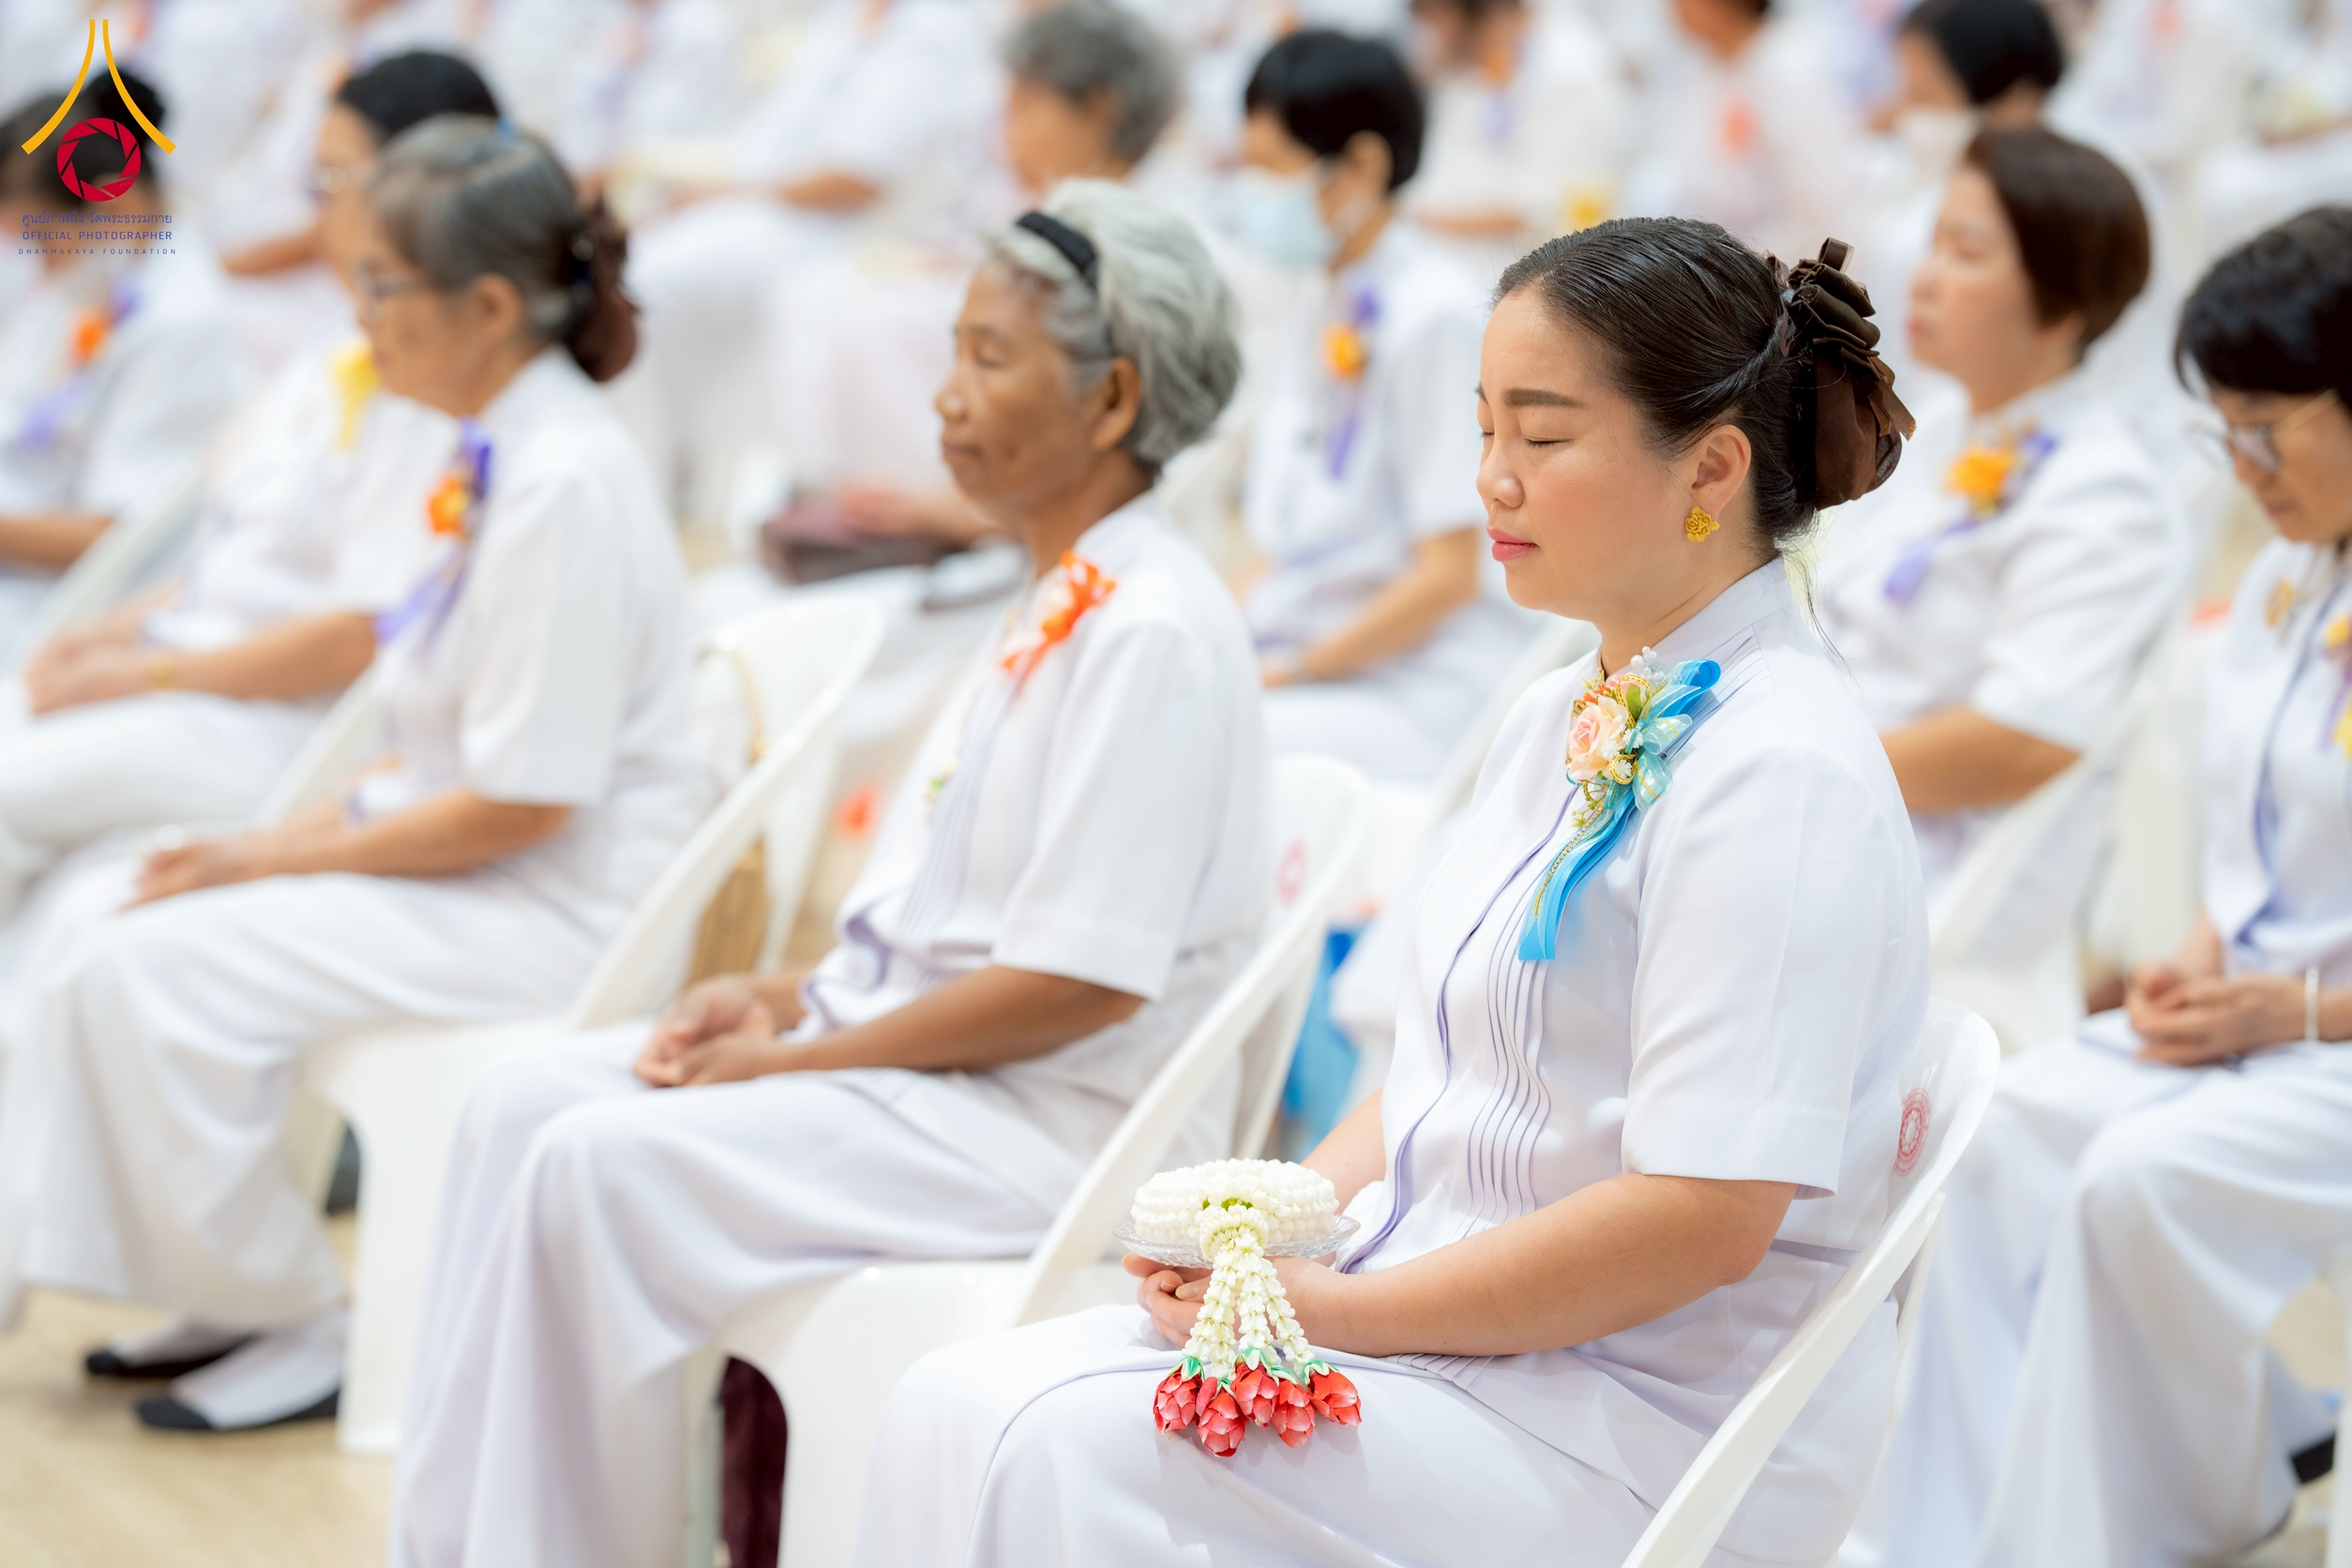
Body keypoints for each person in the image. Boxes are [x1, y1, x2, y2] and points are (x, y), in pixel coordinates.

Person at [855, 215, 1929, 1566]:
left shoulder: (1781, 767)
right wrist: (1258, 1236)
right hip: (1462, 1332)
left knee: (1045, 1437)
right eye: (1482, 429)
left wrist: (1339, 1310)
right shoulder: (1563, 712)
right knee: (952, 1401)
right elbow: (1442, 1075)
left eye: (1542, 437)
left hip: (1635, 1419)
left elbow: (1705, 1216)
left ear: (1712, 467)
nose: (1491, 479)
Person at [387, 181, 1271, 1568]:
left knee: (595, 1167)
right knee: (517, 1102)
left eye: (989, 357)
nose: (945, 398)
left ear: (1111, 401)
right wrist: (786, 997)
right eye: (953, 351)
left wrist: (798, 1061)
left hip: (1047, 1122)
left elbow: (1076, 984)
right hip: (949, 1079)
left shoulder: (1147, 624)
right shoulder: (1066, 588)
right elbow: (960, 929)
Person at [0, 118, 710, 1435]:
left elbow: (521, 798)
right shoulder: (491, 444)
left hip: (551, 906)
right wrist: (283, 837)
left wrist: (263, 851)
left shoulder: (559, 481)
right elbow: (442, 740)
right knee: (104, 911)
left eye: (382, 284)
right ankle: (217, 1290)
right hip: (478, 857)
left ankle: (294, 1317)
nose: (357, 311)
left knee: (142, 963)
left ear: (488, 306)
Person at [1840, 204, 2352, 1568]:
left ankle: (2119, 1527)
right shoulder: (2287, 584)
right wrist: (2199, 954)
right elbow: (2269, 853)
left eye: (2270, 430)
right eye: (2225, 432)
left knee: (2135, 1178)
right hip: (2261, 1019)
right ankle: (1934, 1534)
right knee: (1999, 1129)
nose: (2244, 470)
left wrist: (2298, 1011)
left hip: (2326, 1038)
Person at [0, 51, 498, 932]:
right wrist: (105, 640)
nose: (315, 211)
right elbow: (230, 554)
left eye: (333, 180)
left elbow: (364, 627)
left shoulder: (431, 391)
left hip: (259, 712)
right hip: (189, 668)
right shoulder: (333, 355)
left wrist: (146, 669)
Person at [1814, 125, 2179, 1046]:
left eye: (1967, 253)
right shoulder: (1945, 425)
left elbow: (2025, 738)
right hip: (1832, 797)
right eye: (1934, 241)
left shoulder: (2104, 491)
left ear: (2061, 305)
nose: (1926, 277)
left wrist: (1802, 766)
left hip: (1917, 858)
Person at [1233, 29, 1532, 783]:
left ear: (1362, 166)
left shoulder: (1433, 316)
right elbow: (1289, 530)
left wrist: (1295, 669)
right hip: (1313, 647)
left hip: (1410, 679)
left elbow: (1448, 576)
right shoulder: (1321, 291)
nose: (1253, 197)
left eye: (1273, 171)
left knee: (1203, 747)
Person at [603, 0, 1002, 519]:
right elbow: (765, 141)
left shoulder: (934, 33)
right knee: (631, 262)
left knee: (649, 283)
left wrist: (727, 192)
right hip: (767, 206)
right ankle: (646, 475)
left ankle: (648, 484)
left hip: (834, 228)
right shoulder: (846, 19)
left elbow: (854, 177)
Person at [0, 69, 248, 662]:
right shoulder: (94, 280)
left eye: (44, 242)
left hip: (54, 600)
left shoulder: (183, 324)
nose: (38, 265)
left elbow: (117, 534)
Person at [1401, 0, 1632, 281]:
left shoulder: (1572, 74)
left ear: (1490, 15)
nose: (1437, 44)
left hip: (1522, 267)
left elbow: (1532, 206)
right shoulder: (1475, 62)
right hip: (1448, 248)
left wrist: (1408, 219)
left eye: (1443, 29)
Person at [1624, 0, 1866, 266]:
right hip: (1713, 260)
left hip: (1770, 271)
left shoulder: (1788, 73)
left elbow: (1820, 208)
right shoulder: (1712, 65)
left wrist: (1741, 271)